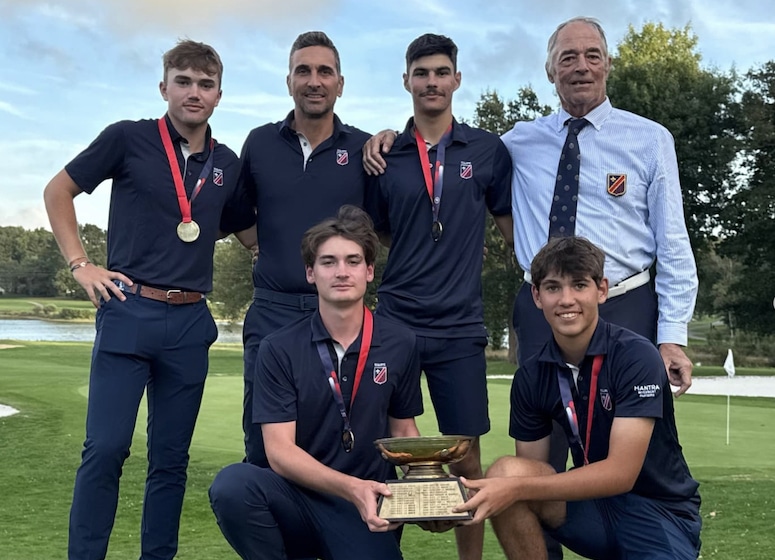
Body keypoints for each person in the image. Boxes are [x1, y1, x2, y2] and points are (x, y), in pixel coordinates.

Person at [42, 40, 256, 560]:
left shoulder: (225, 163)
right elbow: (57, 191)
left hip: (189, 323)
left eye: (205, 84)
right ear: (164, 87)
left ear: (219, 95)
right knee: (106, 450)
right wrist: (81, 264)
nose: (194, 92)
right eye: (183, 81)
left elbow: (253, 235)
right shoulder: (128, 139)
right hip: (128, 311)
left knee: (170, 460)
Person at [501, 19, 699, 558]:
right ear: (550, 70)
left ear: (608, 64)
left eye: (592, 55)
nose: (581, 66)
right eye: (568, 57)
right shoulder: (518, 141)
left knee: (628, 443)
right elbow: (451, 150)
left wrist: (672, 332)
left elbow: (673, 242)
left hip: (627, 301)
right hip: (538, 302)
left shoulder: (650, 138)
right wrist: (394, 135)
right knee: (539, 451)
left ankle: (645, 538)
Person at [455, 236, 702, 560]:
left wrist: (513, 488)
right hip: (591, 510)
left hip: (658, 510)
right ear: (537, 295)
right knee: (506, 473)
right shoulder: (532, 375)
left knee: (511, 485)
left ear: (601, 290)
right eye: (553, 287)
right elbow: (532, 471)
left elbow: (620, 474)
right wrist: (481, 495)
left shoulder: (636, 356)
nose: (566, 299)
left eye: (579, 285)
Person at [364, 33, 513, 560]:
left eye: (440, 71)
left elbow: (511, 229)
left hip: (460, 327)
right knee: (387, 454)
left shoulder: (489, 151)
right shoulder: (384, 156)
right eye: (421, 72)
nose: (431, 81)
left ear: (456, 79)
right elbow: (381, 234)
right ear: (406, 80)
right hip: (397, 320)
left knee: (467, 459)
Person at [208, 205, 423, 560]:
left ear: (369, 271)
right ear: (310, 273)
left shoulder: (401, 342)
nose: (342, 272)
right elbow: (279, 453)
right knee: (233, 485)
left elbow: (403, 430)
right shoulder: (278, 348)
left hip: (365, 505)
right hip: (297, 499)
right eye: (328, 262)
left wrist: (430, 486)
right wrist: (350, 487)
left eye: (353, 261)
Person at [239, 31, 372, 466]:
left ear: (340, 83)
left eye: (324, 71)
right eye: (304, 71)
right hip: (273, 313)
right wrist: (266, 246)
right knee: (263, 449)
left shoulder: (364, 148)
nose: (314, 81)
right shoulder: (259, 143)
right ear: (289, 81)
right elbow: (236, 215)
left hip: (340, 315)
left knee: (341, 441)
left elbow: (387, 228)